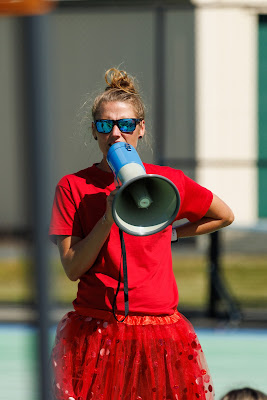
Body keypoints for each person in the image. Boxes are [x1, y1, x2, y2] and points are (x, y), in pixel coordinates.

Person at [49, 68, 234, 400]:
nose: (116, 134)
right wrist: (108, 217)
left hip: (159, 330)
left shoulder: (168, 182)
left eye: (127, 124)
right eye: (106, 125)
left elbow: (224, 215)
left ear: (141, 128)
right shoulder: (73, 187)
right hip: (99, 329)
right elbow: (73, 268)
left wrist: (172, 235)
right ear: (95, 131)